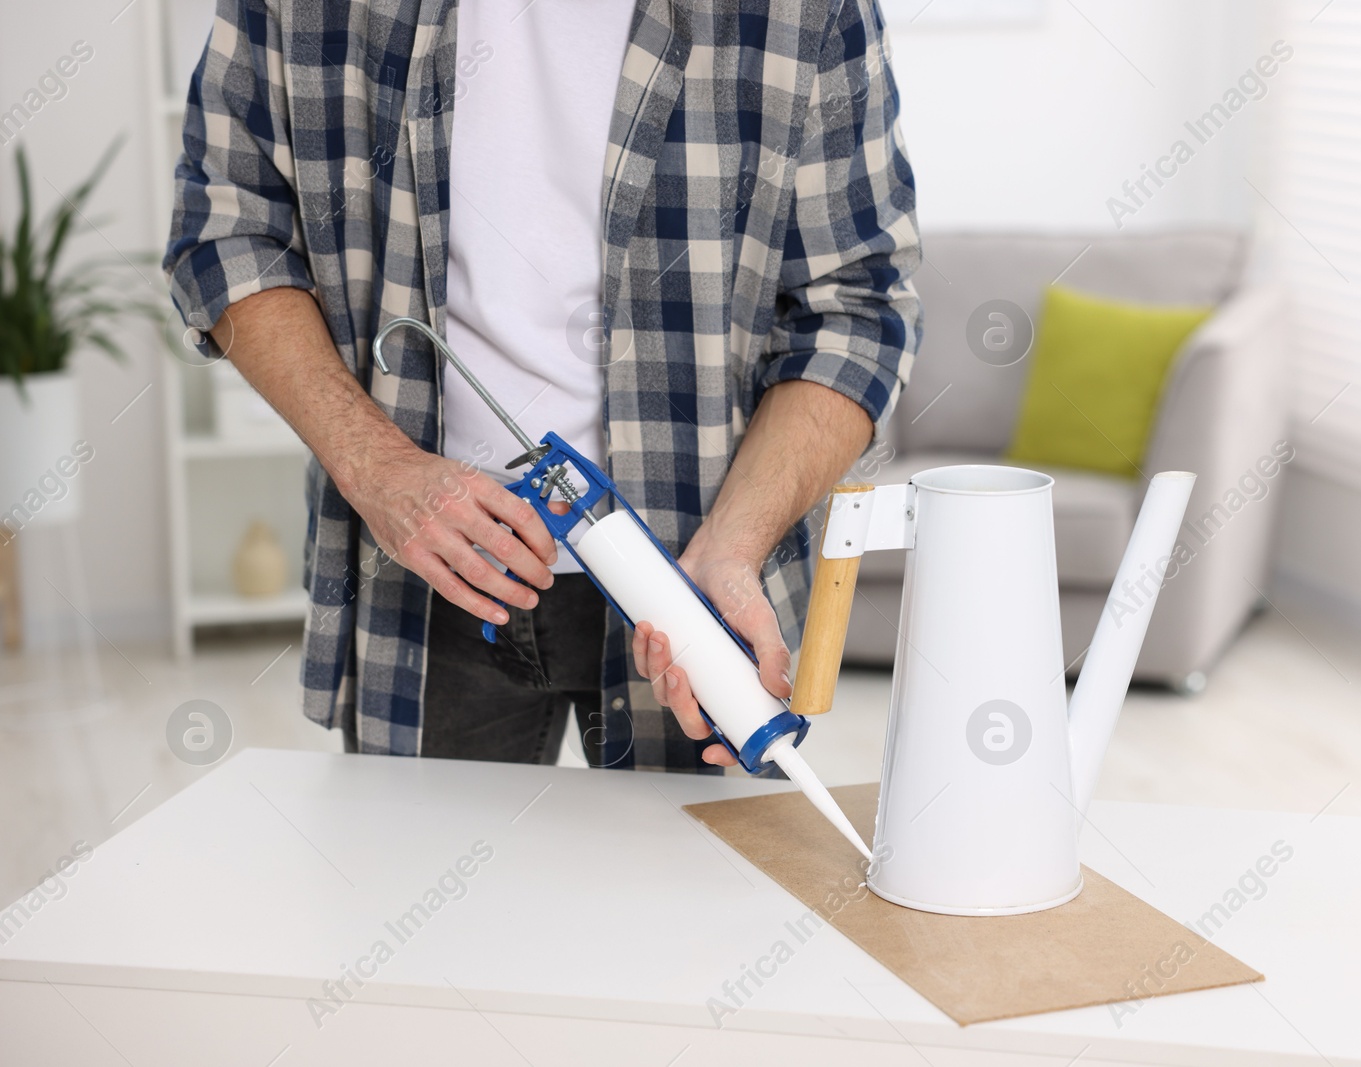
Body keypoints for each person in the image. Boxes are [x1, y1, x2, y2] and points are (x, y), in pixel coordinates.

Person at [164, 0, 921, 771]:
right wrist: (377, 467)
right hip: (427, 577)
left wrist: (735, 544)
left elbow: (857, 309)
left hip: (695, 591)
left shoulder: (808, 13)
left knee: (692, 889)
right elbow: (226, 232)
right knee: (422, 883)